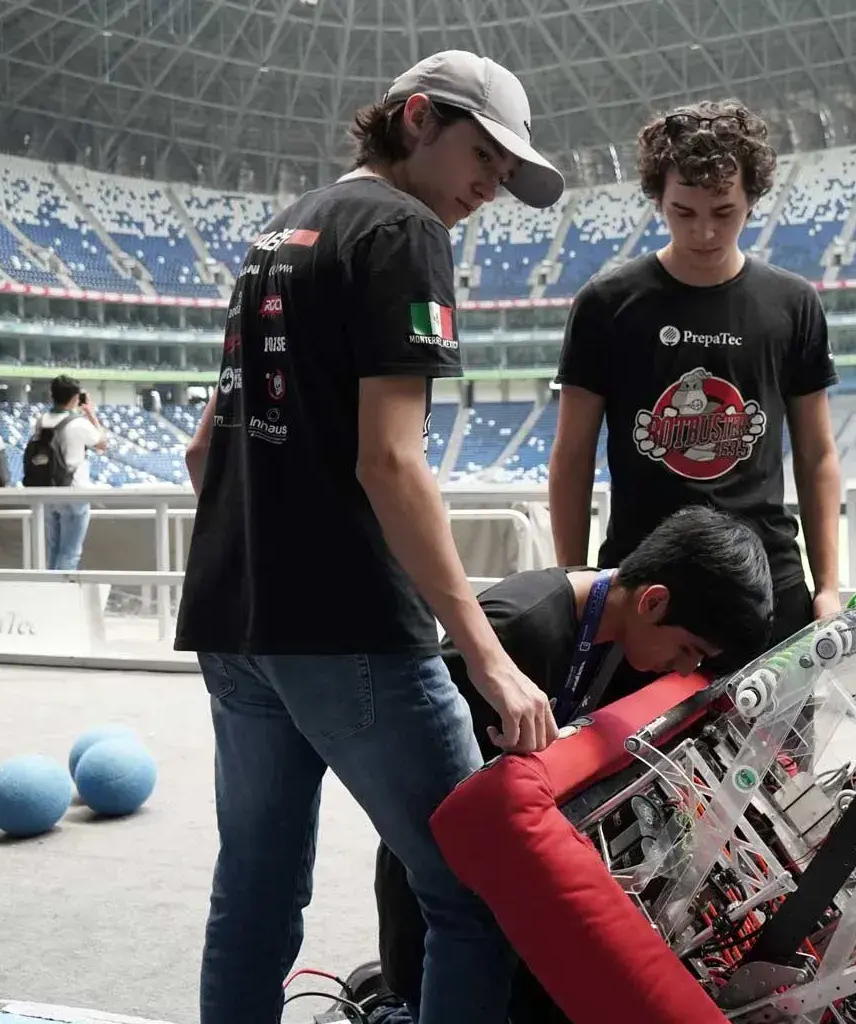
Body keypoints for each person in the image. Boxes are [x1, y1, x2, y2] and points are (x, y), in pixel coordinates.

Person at [173, 49, 567, 1024]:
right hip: (346, 624)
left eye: (509, 172)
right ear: (417, 117)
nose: (492, 185)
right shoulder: (404, 230)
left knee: (256, 896)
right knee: (478, 892)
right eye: (483, 154)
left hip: (235, 613)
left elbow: (202, 453)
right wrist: (488, 655)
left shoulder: (283, 228)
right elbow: (389, 461)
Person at [366, 506, 776, 1024]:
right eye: (689, 650)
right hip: (445, 913)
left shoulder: (627, 639)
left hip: (522, 895)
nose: (686, 669)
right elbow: (418, 812)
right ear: (653, 601)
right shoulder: (515, 630)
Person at [547, 99, 844, 675]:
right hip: (645, 590)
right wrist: (573, 577)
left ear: (752, 200)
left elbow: (817, 454)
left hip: (767, 582)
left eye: (724, 211)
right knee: (637, 762)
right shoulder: (606, 304)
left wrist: (828, 584)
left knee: (777, 762)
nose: (704, 231)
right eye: (682, 212)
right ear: (657, 197)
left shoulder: (793, 303)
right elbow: (572, 454)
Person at [23, 375, 109, 570]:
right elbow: (102, 444)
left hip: (48, 492)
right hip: (73, 491)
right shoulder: (78, 423)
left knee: (54, 548)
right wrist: (91, 414)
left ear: (51, 394)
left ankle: (52, 592)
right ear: (76, 397)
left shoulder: (40, 421)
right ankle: (61, 595)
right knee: (70, 552)